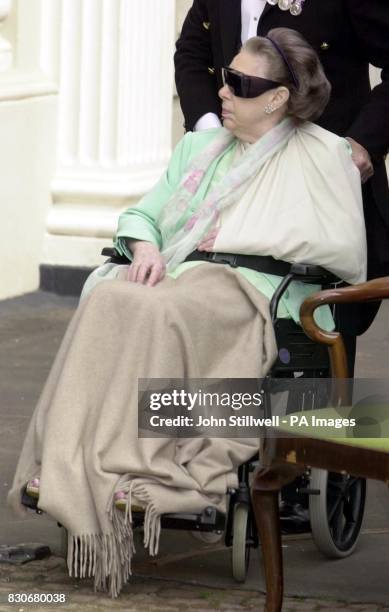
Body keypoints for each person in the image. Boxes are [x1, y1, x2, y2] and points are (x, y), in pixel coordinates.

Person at [8, 28, 366, 597]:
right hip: (183, 272)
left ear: (276, 97)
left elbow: (339, 257)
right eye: (224, 77)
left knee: (161, 308)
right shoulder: (199, 149)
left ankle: (140, 462)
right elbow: (144, 215)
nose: (221, 91)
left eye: (239, 83)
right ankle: (71, 462)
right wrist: (146, 247)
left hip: (257, 288)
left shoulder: (324, 154)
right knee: (110, 294)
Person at [174, 0, 389, 374]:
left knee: (314, 361)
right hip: (234, 176)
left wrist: (363, 141)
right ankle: (219, 427)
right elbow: (192, 51)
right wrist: (211, 138)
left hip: (316, 187)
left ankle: (309, 426)